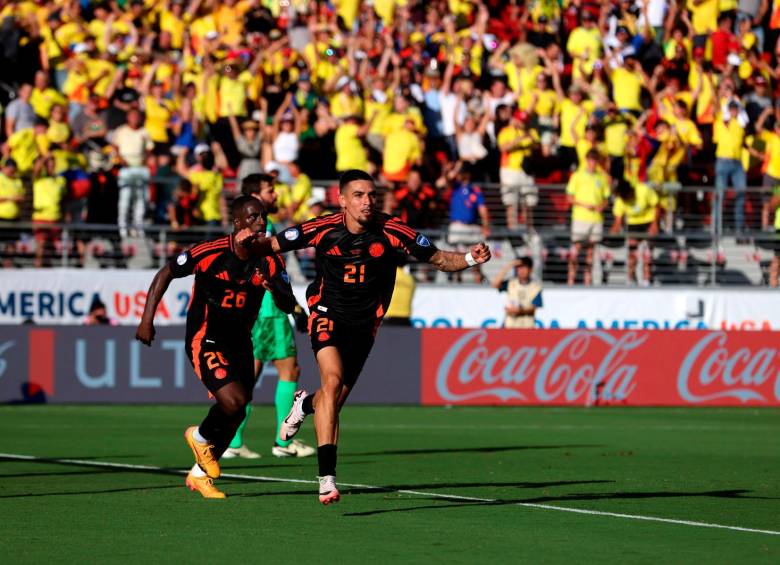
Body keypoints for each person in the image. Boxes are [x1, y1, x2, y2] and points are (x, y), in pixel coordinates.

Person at [241, 169, 491, 504]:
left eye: (371, 194)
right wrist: (241, 243)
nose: (367, 201)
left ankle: (303, 403)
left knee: (333, 400)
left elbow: (440, 259)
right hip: (326, 314)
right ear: (341, 200)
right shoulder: (321, 227)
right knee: (331, 383)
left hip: (365, 325)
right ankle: (326, 479)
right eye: (358, 195)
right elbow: (268, 245)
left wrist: (472, 258)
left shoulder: (393, 229)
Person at [135, 196, 298, 498]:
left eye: (263, 216)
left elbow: (288, 303)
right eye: (253, 217)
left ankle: (198, 476)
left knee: (236, 411)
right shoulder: (210, 252)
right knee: (234, 401)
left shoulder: (271, 259)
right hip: (205, 338)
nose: (261, 222)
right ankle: (198, 437)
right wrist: (147, 320)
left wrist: (275, 287)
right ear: (237, 223)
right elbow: (166, 273)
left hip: (241, 342)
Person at [221, 173, 315, 459]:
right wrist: (295, 307)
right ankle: (283, 442)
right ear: (257, 196)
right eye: (270, 190)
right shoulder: (265, 227)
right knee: (289, 371)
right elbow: (272, 273)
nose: (276, 195)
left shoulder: (243, 228)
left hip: (254, 311)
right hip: (270, 311)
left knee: (249, 377)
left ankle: (233, 441)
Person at [566, 149, 611, 286]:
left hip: (596, 219)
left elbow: (606, 198)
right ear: (586, 160)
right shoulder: (577, 176)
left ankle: (587, 281)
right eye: (590, 159)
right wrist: (585, 205)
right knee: (576, 250)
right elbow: (569, 197)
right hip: (580, 218)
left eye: (595, 160)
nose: (592, 162)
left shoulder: (601, 178)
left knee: (591, 252)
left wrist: (601, 206)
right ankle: (571, 280)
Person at [610, 179, 660, 285]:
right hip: (633, 224)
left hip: (648, 221)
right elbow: (618, 220)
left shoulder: (643, 190)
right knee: (632, 254)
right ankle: (631, 279)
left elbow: (656, 205)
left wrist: (655, 224)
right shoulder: (621, 199)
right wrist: (614, 230)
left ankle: (647, 280)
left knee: (647, 254)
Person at [491, 256, 542, 328]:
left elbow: (533, 309)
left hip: (527, 328)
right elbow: (495, 284)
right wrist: (509, 265)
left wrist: (519, 311)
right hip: (510, 326)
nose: (521, 270)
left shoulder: (535, 287)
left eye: (523, 267)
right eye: (518, 268)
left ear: (530, 269)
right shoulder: (511, 283)